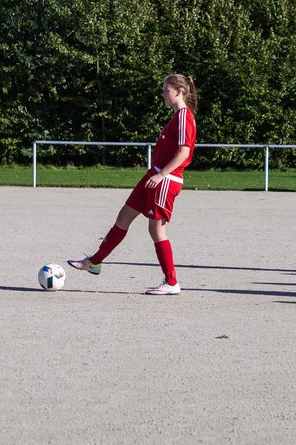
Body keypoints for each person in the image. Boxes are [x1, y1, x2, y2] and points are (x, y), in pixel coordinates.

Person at [67, 74, 198, 295]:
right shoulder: (176, 116)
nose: (163, 94)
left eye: (166, 90)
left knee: (156, 229)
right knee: (123, 217)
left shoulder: (184, 116)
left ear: (179, 91)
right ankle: (94, 262)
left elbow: (184, 152)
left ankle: (171, 282)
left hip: (166, 179)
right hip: (153, 176)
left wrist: (163, 174)